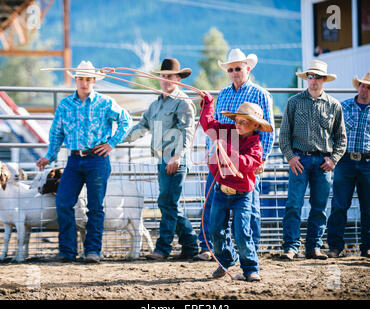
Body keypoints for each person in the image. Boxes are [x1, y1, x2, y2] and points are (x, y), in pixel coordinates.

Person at [36, 60, 132, 263]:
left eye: (88, 79)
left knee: (95, 206)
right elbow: (56, 132)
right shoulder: (65, 104)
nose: (84, 83)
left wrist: (111, 143)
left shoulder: (105, 103)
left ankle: (93, 251)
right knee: (63, 202)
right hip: (74, 159)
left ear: (94, 81)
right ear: (76, 80)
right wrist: (49, 156)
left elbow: (126, 120)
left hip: (97, 159)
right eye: (81, 79)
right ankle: (67, 251)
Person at [195, 48, 275, 261]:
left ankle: (250, 252)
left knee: (249, 207)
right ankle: (218, 251)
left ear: (247, 68)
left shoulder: (260, 94)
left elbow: (268, 129)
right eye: (230, 69)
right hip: (220, 158)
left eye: (238, 68)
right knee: (214, 204)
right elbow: (214, 126)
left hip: (246, 158)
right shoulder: (223, 94)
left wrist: (262, 158)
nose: (234, 72)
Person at [124, 58, 198, 260]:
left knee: (167, 202)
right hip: (162, 159)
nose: (165, 80)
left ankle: (163, 248)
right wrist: (120, 138)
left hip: (174, 160)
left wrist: (177, 156)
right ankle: (191, 245)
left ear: (178, 79)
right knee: (170, 203)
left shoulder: (183, 103)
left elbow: (186, 131)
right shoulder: (156, 105)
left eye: (169, 77)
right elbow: (143, 127)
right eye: (163, 76)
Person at [199, 91, 273, 281]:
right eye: (237, 120)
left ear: (255, 126)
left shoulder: (255, 145)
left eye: (243, 122)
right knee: (215, 229)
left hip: (242, 194)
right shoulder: (226, 130)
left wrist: (227, 150)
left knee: (241, 231)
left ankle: (250, 269)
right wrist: (208, 103)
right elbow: (208, 123)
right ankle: (226, 260)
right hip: (221, 190)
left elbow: (249, 163)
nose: (238, 124)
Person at [279, 60, 347, 260]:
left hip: (323, 162)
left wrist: (333, 159)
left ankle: (313, 247)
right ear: (306, 78)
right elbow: (284, 135)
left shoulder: (334, 106)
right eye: (311, 76)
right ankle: (291, 247)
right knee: (294, 204)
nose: (314, 80)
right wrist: (291, 157)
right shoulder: (293, 102)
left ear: (324, 79)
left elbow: (341, 137)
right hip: (299, 159)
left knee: (319, 206)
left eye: (317, 77)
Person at [327, 72, 370, 258]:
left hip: (368, 162)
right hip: (344, 161)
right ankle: (335, 246)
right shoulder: (343, 107)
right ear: (357, 86)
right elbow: (332, 133)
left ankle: (367, 247)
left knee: (368, 208)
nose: (364, 89)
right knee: (339, 205)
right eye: (362, 85)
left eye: (368, 87)